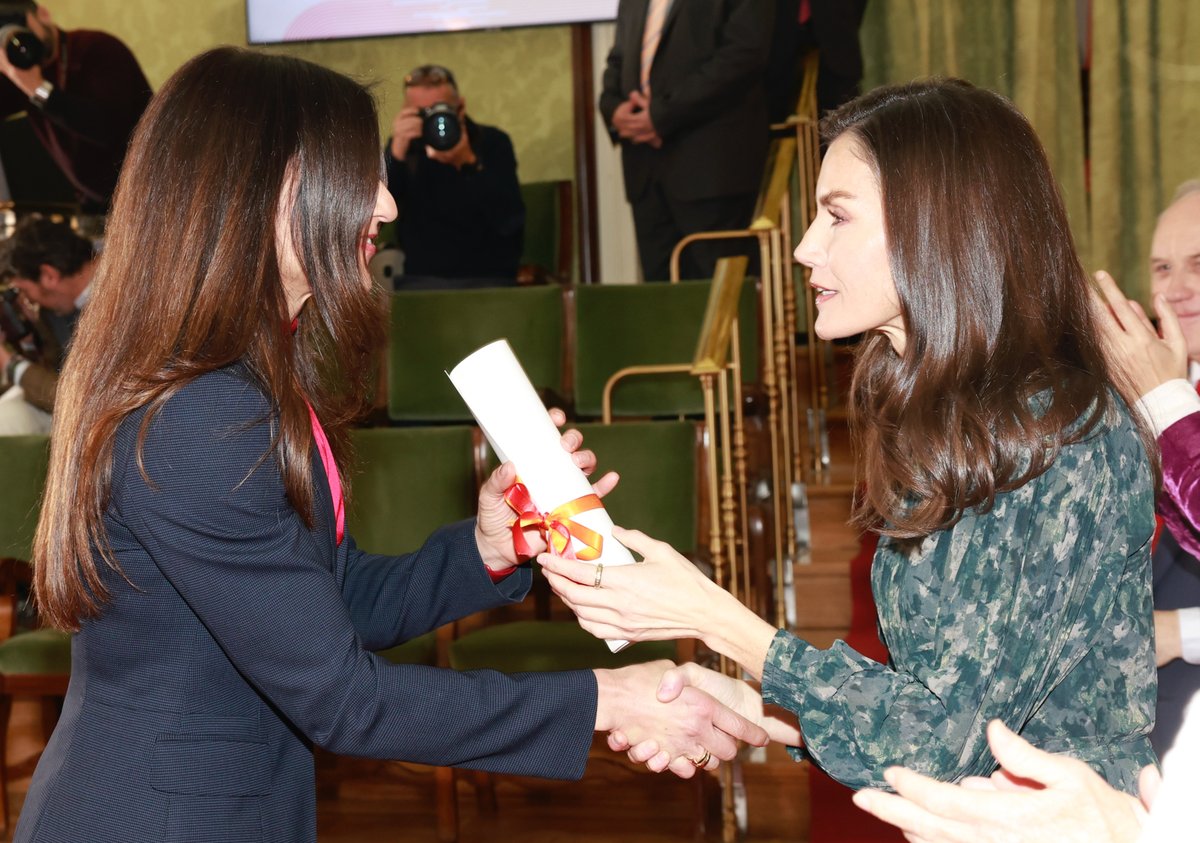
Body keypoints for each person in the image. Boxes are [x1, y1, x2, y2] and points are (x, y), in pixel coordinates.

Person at [16, 47, 769, 843]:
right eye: (360, 175)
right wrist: (604, 699)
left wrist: (487, 547)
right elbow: (345, 697)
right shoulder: (203, 411)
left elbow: (327, 606)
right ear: (272, 190)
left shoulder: (246, 380)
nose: (386, 204)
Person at [542, 78, 1160, 791]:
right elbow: (940, 708)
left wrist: (717, 619)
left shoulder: (1066, 434)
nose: (805, 248)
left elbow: (948, 741)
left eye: (837, 217)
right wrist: (773, 712)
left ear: (938, 225)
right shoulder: (958, 416)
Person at [599, 0, 772, 282]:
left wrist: (661, 116)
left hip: (709, 166)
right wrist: (612, 109)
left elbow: (743, 53)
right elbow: (618, 58)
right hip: (644, 169)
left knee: (721, 293)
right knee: (663, 297)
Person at [0, 1, 151, 213]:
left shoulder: (98, 48)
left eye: (19, 26)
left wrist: (38, 90)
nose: (19, 43)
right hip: (93, 207)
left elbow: (111, 129)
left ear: (43, 14)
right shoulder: (17, 72)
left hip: (146, 193)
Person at [384, 63, 524, 288]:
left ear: (460, 107)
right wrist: (396, 152)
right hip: (422, 282)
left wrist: (467, 162)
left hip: (490, 280)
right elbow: (377, 215)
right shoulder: (406, 148)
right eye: (423, 113)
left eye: (440, 110)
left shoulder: (492, 142)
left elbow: (510, 220)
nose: (435, 123)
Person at [0, 216, 93, 434]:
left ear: (49, 275)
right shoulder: (69, 305)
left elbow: (78, 402)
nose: (27, 299)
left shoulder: (114, 307)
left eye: (24, 290)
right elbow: (59, 365)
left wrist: (9, 364)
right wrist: (33, 333)